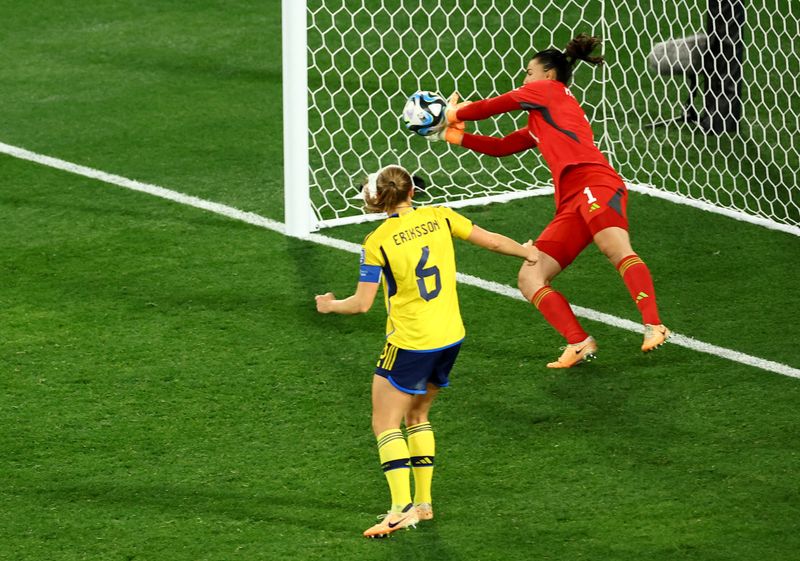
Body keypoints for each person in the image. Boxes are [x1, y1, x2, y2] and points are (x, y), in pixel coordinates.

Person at [315, 164, 538, 538]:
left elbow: (361, 304)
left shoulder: (377, 241)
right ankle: (423, 503)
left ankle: (399, 510)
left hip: (410, 342)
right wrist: (526, 252)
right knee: (417, 416)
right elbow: (494, 242)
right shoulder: (441, 217)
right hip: (450, 337)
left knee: (385, 423)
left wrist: (329, 305)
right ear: (412, 192)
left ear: (377, 199)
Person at [430, 33, 670, 368]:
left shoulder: (548, 92)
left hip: (595, 182)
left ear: (548, 75)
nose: (525, 78)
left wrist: (452, 111)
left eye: (529, 72)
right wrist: (449, 133)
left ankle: (654, 324)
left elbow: (494, 106)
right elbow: (501, 147)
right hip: (571, 199)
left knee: (614, 247)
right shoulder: (542, 117)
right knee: (530, 276)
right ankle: (578, 342)